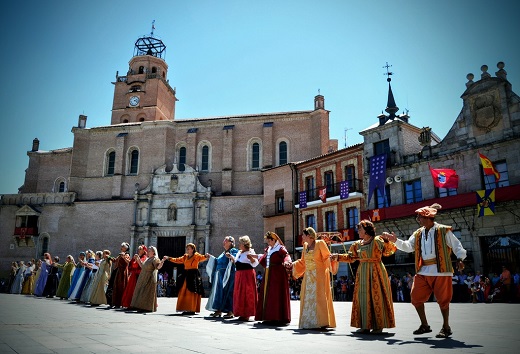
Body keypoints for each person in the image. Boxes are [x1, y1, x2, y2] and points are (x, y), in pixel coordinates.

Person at [382, 203, 467, 338]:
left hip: (441, 270)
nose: (418, 220)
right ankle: (425, 325)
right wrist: (395, 240)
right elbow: (408, 247)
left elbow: (457, 245)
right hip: (423, 271)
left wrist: (461, 258)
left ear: (427, 217)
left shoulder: (443, 230)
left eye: (419, 217)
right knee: (415, 298)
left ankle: (446, 327)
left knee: (443, 300)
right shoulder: (418, 233)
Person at [333, 220, 396, 334]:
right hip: (362, 272)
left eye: (360, 229)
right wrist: (338, 256)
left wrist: (389, 240)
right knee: (363, 298)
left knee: (377, 296)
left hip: (376, 271)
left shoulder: (377, 241)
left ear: (367, 231)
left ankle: (378, 326)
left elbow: (389, 251)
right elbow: (351, 257)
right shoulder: (357, 244)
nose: (358, 231)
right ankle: (365, 325)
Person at [292, 227, 336, 330]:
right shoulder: (305, 246)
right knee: (307, 299)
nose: (302, 237)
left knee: (320, 298)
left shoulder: (320, 243)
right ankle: (309, 322)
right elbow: (303, 262)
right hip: (308, 277)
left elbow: (326, 257)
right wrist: (292, 265)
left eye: (303, 235)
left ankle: (322, 322)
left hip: (319, 276)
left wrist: (332, 259)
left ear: (309, 236)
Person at [255, 231, 292, 325]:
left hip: (278, 274)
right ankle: (268, 317)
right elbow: (264, 259)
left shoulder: (280, 248)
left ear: (273, 240)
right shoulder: (269, 249)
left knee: (275, 295)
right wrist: (255, 256)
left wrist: (287, 262)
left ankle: (277, 317)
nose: (267, 242)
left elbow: (286, 256)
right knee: (267, 295)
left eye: (269, 240)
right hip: (268, 274)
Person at [164, 243, 209, 315]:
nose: (187, 250)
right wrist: (169, 258)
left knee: (192, 291)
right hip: (186, 275)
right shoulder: (185, 257)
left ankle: (191, 309)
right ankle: (185, 308)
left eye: (189, 248)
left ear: (193, 249)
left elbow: (202, 257)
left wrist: (206, 256)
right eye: (187, 249)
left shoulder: (196, 256)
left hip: (193, 275)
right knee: (183, 290)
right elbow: (177, 260)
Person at [226, 236, 259, 321]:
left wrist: (251, 258)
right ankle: (241, 312)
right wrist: (231, 257)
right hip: (239, 274)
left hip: (247, 275)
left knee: (247, 294)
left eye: (240, 243)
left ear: (244, 244)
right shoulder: (239, 252)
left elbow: (255, 264)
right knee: (239, 293)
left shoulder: (250, 251)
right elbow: (237, 262)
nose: (239, 244)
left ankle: (247, 314)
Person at [205, 236, 238, 318]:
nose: (224, 242)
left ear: (231, 242)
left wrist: (230, 256)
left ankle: (230, 311)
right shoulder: (223, 253)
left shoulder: (233, 251)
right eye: (224, 240)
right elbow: (217, 261)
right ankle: (218, 310)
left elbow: (235, 260)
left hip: (228, 276)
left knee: (228, 292)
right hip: (219, 276)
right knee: (219, 293)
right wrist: (211, 258)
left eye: (226, 240)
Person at [130, 246, 164, 312]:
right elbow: (142, 266)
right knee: (142, 292)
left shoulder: (155, 259)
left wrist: (162, 262)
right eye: (148, 250)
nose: (148, 251)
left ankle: (147, 308)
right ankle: (141, 306)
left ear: (153, 252)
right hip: (143, 277)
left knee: (146, 293)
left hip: (149, 278)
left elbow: (158, 267)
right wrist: (138, 259)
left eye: (149, 251)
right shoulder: (148, 259)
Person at [109, 242, 131, 308]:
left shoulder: (126, 255)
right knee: (116, 286)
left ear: (126, 248)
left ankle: (121, 302)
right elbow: (115, 260)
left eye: (122, 247)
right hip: (118, 271)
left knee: (121, 286)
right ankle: (116, 302)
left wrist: (124, 257)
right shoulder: (120, 254)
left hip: (123, 272)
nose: (121, 247)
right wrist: (109, 258)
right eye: (121, 246)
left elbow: (128, 262)